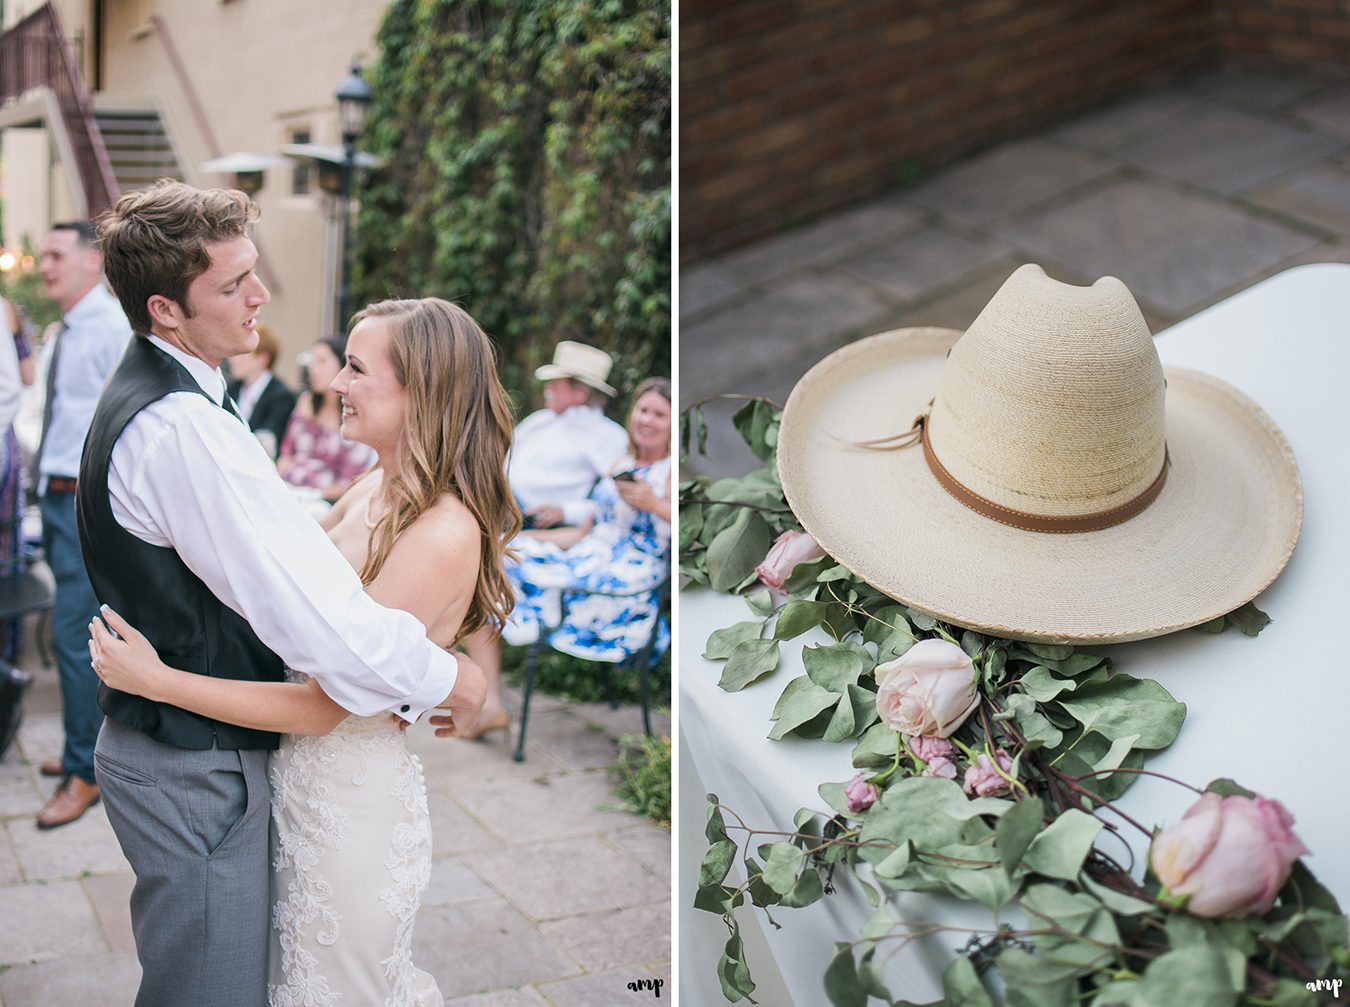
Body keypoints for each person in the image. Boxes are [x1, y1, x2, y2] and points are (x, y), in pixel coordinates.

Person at [79, 179, 487, 1007]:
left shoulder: (184, 402)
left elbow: (315, 620)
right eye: (231, 285)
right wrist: (455, 680)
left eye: (252, 272)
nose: (259, 296)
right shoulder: (185, 426)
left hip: (307, 782)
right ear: (165, 308)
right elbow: (333, 635)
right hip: (198, 769)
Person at [469, 377, 672, 732]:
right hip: (591, 552)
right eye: (643, 410)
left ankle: (490, 696)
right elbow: (583, 533)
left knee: (513, 575)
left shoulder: (669, 472)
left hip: (631, 574)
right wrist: (515, 540)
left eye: (659, 414)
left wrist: (654, 504)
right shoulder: (621, 463)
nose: (647, 420)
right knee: (490, 559)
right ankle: (489, 702)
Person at [33, 222, 133, 828]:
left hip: (80, 501)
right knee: (75, 630)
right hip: (52, 493)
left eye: (55, 255)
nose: (45, 266)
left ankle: (86, 771)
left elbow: (121, 422)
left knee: (76, 635)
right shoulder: (65, 330)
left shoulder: (111, 330)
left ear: (92, 262)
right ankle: (80, 747)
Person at [508, 339, 628, 529]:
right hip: (499, 496)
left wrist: (567, 511)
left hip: (531, 518)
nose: (548, 388)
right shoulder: (539, 420)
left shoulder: (608, 435)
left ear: (580, 393)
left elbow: (616, 497)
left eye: (555, 383)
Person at [276, 336, 375, 501]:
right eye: (312, 361)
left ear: (343, 367)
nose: (313, 369)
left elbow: (351, 482)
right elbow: (286, 453)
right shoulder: (305, 402)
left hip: (323, 501)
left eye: (322, 361)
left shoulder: (355, 415)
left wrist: (312, 495)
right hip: (287, 490)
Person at [226, 323, 296, 458]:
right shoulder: (231, 388)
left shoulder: (281, 397)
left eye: (240, 353)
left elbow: (268, 442)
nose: (232, 359)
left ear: (262, 358)